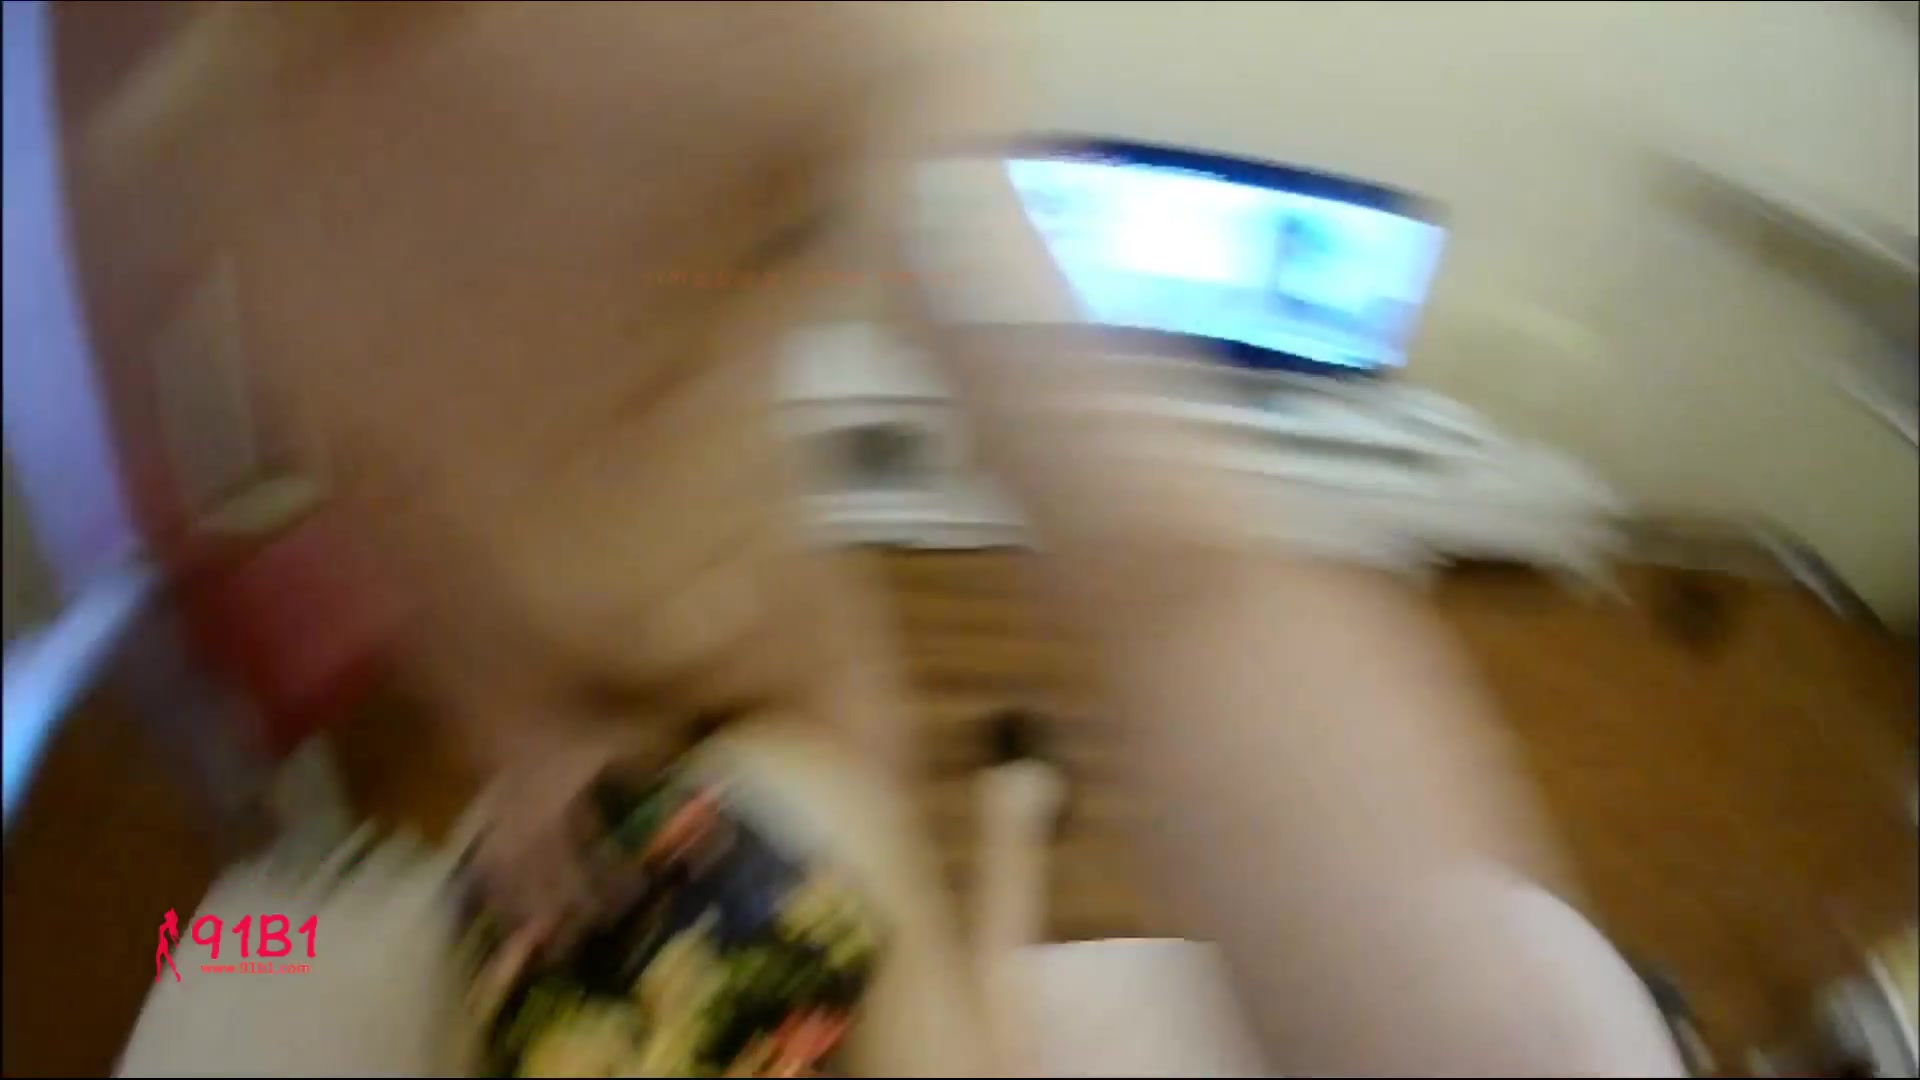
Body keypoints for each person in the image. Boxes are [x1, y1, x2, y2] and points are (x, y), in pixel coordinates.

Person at [105, 3, 1683, 1074]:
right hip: (550, 751)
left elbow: (1168, 565)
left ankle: (1003, 840)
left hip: (783, 691)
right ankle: (1008, 822)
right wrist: (519, 730)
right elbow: (395, 500)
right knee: (266, 953)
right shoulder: (219, 145)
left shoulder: (782, 39)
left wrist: (1433, 992)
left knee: (945, 1030)